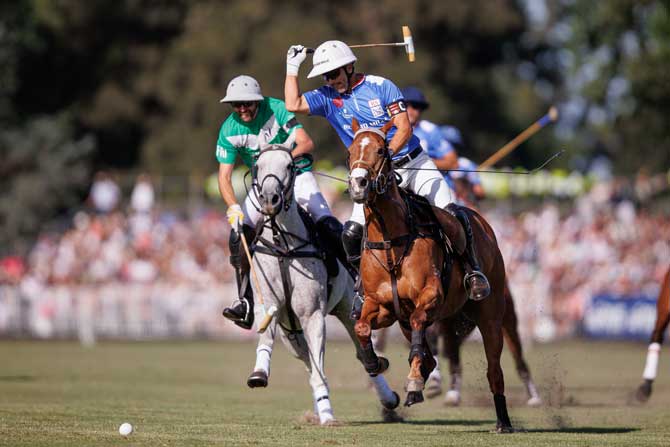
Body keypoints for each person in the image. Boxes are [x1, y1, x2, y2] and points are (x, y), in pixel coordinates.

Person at [284, 42, 490, 315]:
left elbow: (404, 127)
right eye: (326, 76)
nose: (331, 80)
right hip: (371, 177)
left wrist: (387, 157)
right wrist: (292, 67)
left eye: (334, 74)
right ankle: (362, 286)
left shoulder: (381, 86)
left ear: (349, 66)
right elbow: (293, 103)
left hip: (412, 163)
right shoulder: (326, 97)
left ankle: (472, 271)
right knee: (351, 234)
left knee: (454, 213)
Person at [217, 75, 354, 330]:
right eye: (237, 105)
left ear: (257, 102)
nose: (242, 109)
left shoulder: (276, 108)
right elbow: (224, 176)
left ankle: (357, 286)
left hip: (296, 176)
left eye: (247, 104)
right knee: (238, 236)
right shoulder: (229, 129)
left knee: (328, 224)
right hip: (262, 188)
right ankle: (244, 303)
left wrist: (280, 159)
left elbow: (306, 142)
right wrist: (232, 207)